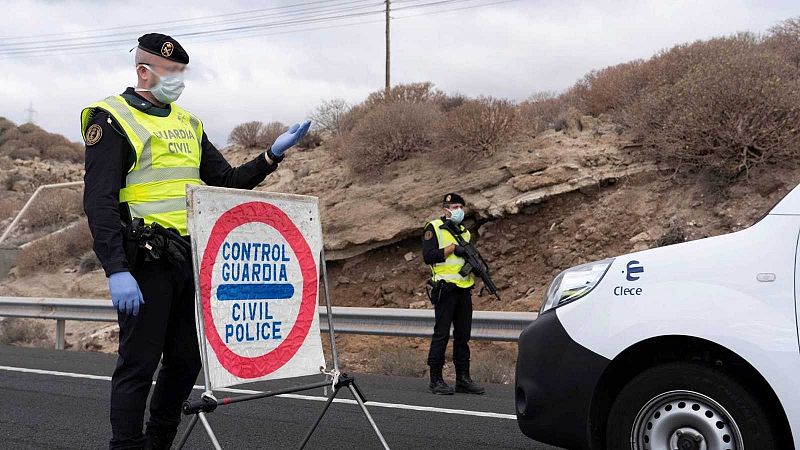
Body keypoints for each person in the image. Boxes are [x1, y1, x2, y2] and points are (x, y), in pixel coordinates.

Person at [81, 33, 311, 449]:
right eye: (171, 71)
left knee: (186, 361)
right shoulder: (110, 118)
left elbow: (225, 181)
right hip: (145, 262)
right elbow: (98, 203)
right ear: (143, 71)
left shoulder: (188, 123)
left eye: (181, 72)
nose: (178, 80)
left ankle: (158, 442)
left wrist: (271, 156)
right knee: (138, 364)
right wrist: (116, 269)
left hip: (188, 259)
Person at [421, 193, 485, 395]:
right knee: (441, 334)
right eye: (454, 206)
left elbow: (464, 259)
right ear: (445, 208)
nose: (458, 211)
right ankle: (436, 379)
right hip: (445, 288)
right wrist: (451, 249)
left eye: (460, 207)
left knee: (463, 335)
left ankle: (463, 379)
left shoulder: (464, 232)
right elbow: (428, 256)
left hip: (464, 288)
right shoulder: (433, 228)